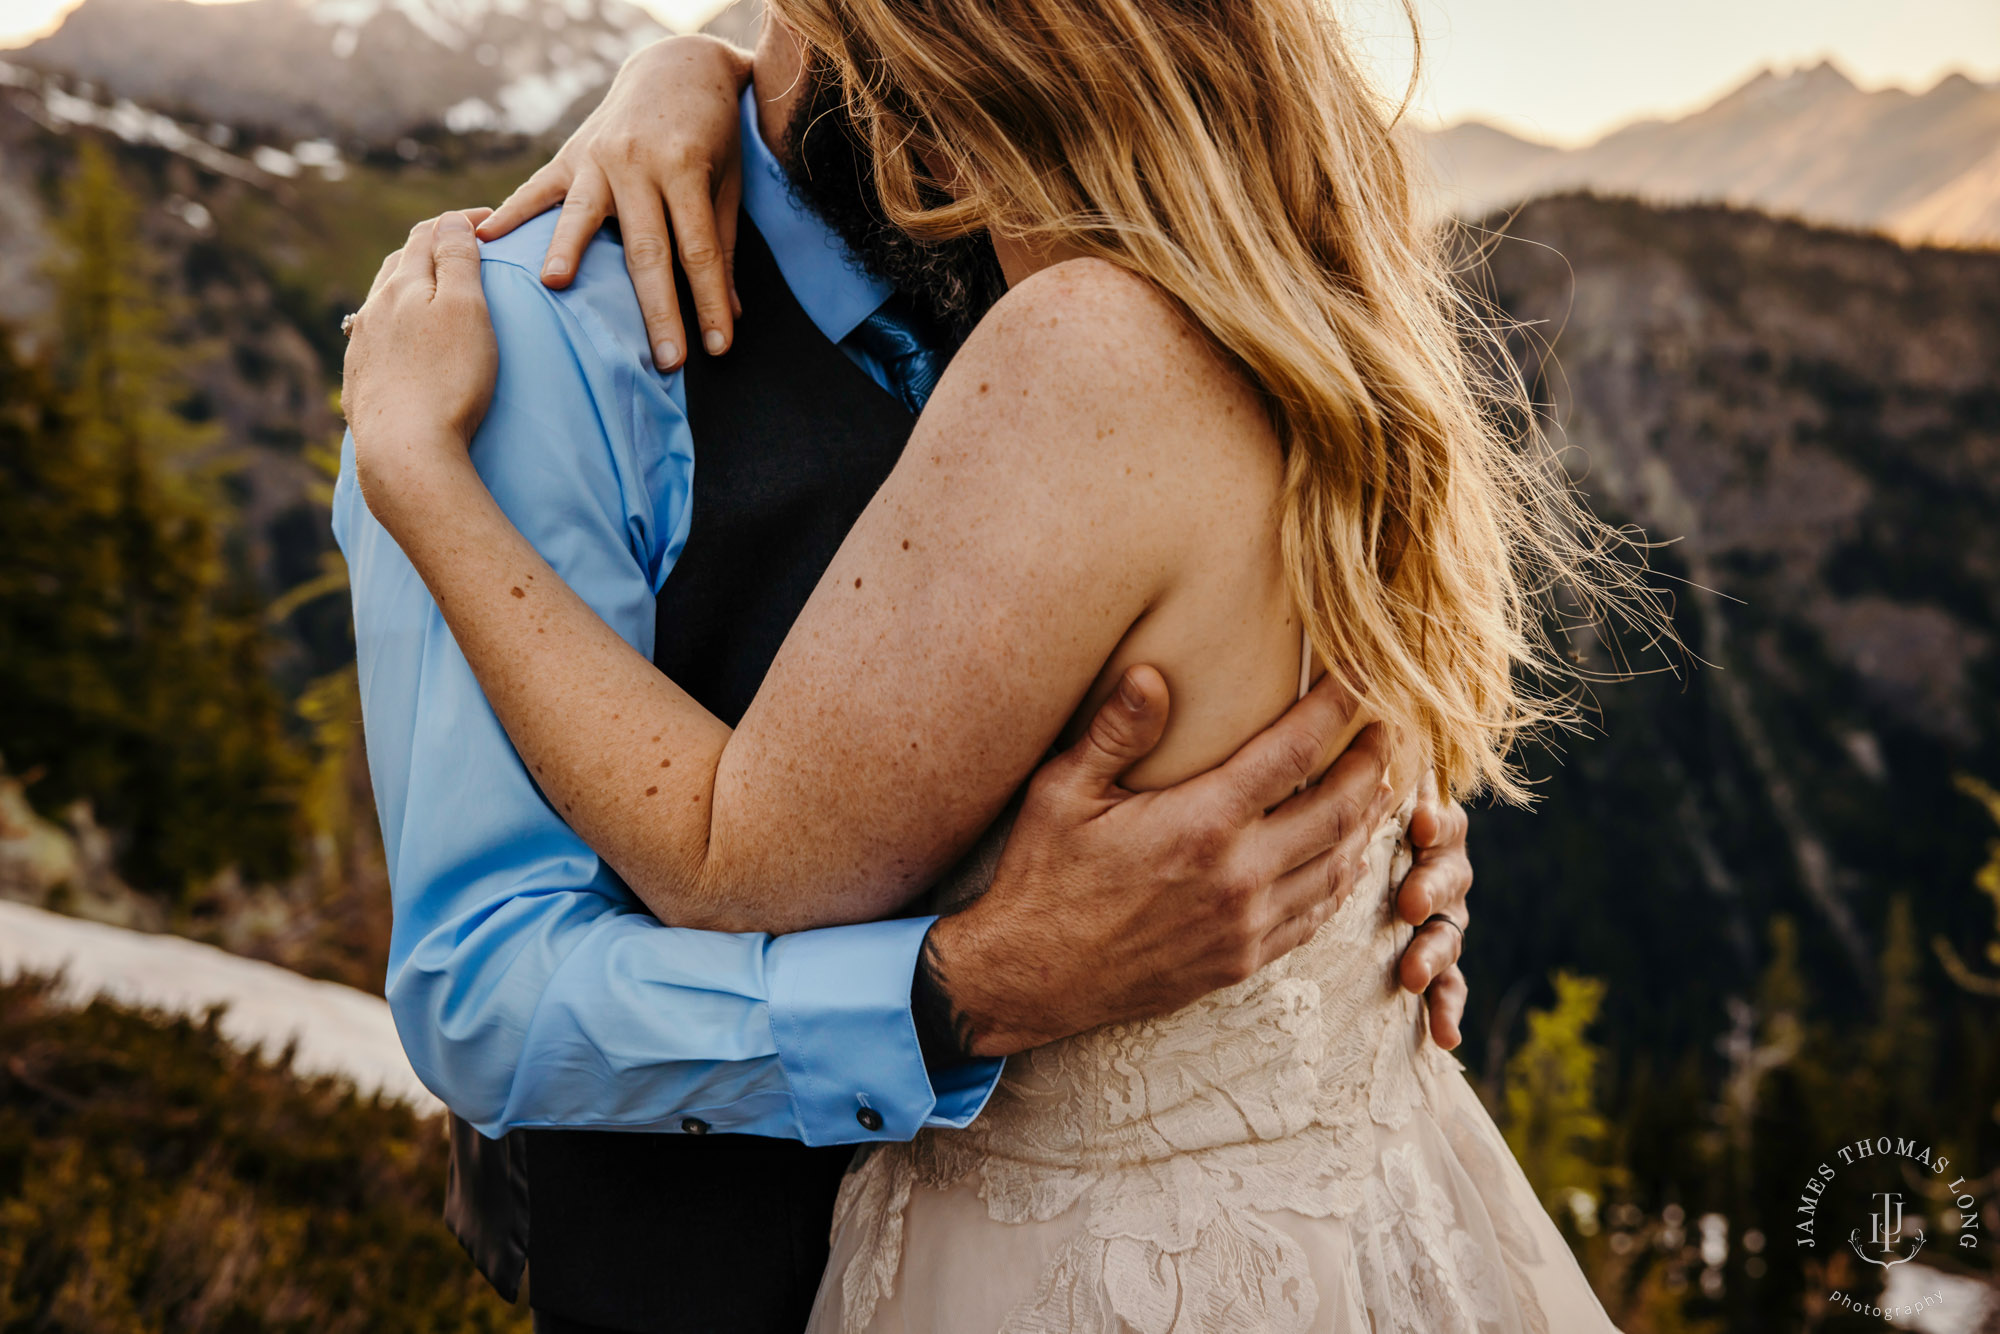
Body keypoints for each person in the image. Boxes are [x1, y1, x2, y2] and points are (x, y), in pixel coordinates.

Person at [333, 23, 1482, 1334]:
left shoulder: (1105, 278)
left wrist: (1362, 886)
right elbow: (482, 987)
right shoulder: (538, 344)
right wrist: (958, 988)